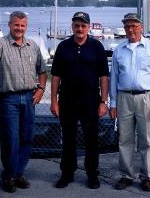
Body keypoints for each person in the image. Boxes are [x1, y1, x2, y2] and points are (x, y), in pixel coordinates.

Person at [0, 11, 47, 193]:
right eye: (16, 25)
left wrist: (40, 90)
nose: (19, 29)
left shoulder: (33, 46)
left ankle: (18, 173)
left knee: (26, 137)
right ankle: (8, 175)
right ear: (9, 25)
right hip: (9, 99)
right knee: (10, 138)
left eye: (23, 26)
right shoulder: (1, 44)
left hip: (30, 97)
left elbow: (43, 70)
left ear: (26, 26)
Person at [51, 12, 109, 189]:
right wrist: (54, 100)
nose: (80, 28)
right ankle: (67, 173)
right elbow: (55, 76)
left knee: (91, 139)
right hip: (67, 101)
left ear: (89, 27)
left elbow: (104, 77)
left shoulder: (97, 46)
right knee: (68, 138)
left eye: (83, 25)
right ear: (72, 27)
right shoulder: (63, 46)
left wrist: (103, 101)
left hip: (91, 101)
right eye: (77, 25)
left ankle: (92, 174)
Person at [110, 13, 150, 192]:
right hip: (124, 97)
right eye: (127, 26)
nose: (130, 29)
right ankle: (127, 175)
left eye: (134, 25)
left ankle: (147, 176)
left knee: (147, 141)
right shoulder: (119, 49)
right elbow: (114, 78)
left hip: (146, 98)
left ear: (141, 26)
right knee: (124, 139)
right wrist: (113, 104)